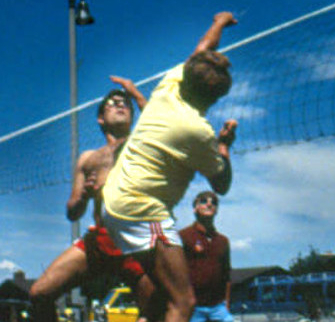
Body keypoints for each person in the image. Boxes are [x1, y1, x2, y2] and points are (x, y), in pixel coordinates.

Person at [101, 11, 239, 322]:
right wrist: (225, 146)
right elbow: (222, 185)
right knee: (184, 302)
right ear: (217, 97)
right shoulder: (198, 131)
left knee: (159, 293)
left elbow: (202, 49)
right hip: (142, 209)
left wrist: (218, 22)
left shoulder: (169, 87)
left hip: (115, 200)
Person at [29, 77, 154, 322]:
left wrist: (135, 93)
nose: (121, 105)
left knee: (155, 310)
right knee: (39, 293)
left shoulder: (141, 143)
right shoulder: (88, 158)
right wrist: (85, 196)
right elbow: (72, 212)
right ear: (100, 118)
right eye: (113, 103)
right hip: (100, 239)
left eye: (125, 104)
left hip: (136, 238)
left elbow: (156, 122)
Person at [179, 191, 234, 322]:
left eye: (214, 202)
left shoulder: (223, 241)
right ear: (195, 207)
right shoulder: (183, 236)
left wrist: (226, 303)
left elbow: (227, 275)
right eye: (203, 201)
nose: (209, 204)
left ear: (216, 210)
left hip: (218, 307)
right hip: (194, 308)